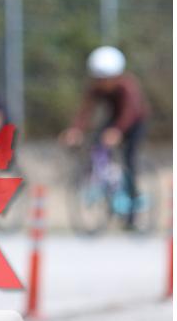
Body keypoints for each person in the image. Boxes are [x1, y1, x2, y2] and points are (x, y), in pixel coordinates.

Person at [59, 45, 150, 227]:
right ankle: (108, 191)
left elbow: (129, 112)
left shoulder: (127, 86)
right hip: (115, 118)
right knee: (97, 146)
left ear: (116, 75)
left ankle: (132, 209)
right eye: (99, 78)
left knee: (128, 158)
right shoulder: (96, 88)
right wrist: (76, 130)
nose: (103, 83)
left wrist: (117, 131)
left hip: (136, 121)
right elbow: (85, 111)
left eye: (106, 78)